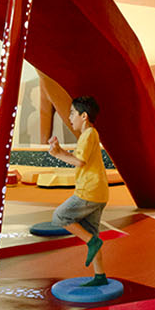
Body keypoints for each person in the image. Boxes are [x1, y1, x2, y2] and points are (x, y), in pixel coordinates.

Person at [45, 96, 111, 287]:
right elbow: (78, 158)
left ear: (84, 115)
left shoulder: (88, 134)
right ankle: (100, 276)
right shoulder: (90, 135)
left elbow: (79, 162)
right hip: (98, 193)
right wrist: (60, 152)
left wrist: (58, 154)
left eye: (73, 113)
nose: (70, 116)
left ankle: (92, 243)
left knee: (59, 216)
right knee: (92, 234)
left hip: (88, 192)